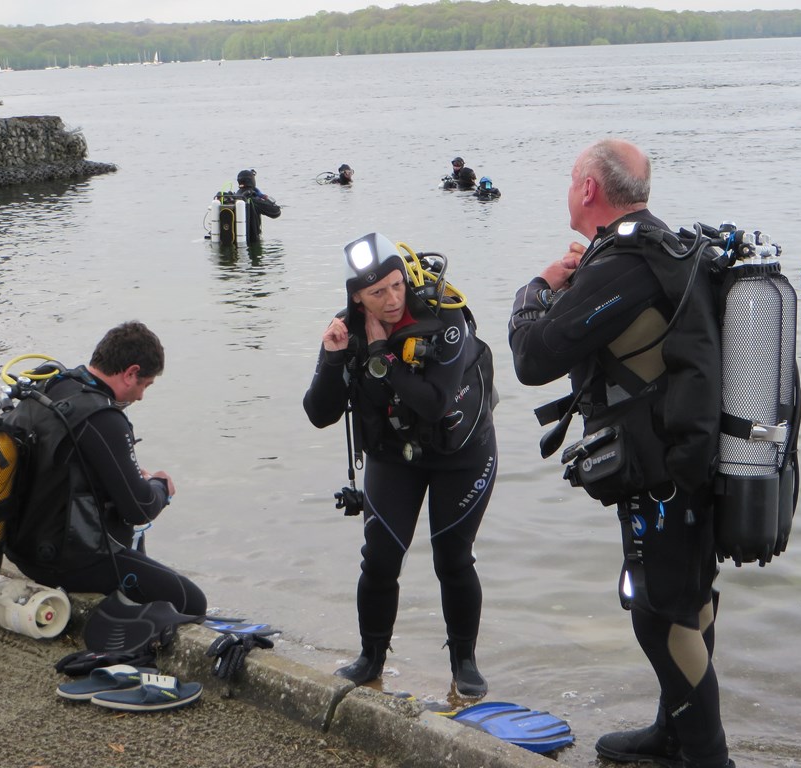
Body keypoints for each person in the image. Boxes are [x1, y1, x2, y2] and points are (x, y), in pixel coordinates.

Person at [507, 139, 734, 768]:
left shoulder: (624, 265)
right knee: (689, 599)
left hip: (664, 472)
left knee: (659, 616)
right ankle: (672, 735)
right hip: (695, 459)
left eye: (570, 178)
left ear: (588, 189)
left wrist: (538, 287)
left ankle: (709, 758)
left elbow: (532, 357)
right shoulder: (667, 247)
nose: (568, 188)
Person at [303, 232, 498, 696]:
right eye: (377, 292)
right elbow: (319, 414)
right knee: (379, 559)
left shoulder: (445, 317)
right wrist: (333, 358)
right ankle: (370, 659)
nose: (392, 300)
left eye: (396, 285)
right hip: (394, 455)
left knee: (453, 559)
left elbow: (434, 402)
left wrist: (382, 356)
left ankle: (464, 664)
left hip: (462, 455)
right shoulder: (346, 330)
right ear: (356, 297)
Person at [4, 321, 207, 616]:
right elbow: (139, 508)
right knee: (191, 601)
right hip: (65, 562)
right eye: (144, 385)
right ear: (131, 373)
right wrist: (161, 487)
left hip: (21, 549)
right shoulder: (102, 417)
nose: (141, 396)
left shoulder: (51, 386)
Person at [223, 169, 281, 243]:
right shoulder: (253, 199)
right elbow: (276, 212)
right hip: (251, 243)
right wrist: (263, 196)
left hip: (233, 240)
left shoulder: (233, 198)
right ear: (252, 181)